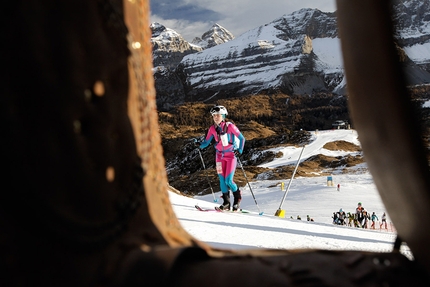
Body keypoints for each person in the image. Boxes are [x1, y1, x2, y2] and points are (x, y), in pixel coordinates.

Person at [196, 105, 245, 211]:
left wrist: (240, 150)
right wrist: (199, 144)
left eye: (218, 115)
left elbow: (242, 138)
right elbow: (206, 142)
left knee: (228, 180)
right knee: (222, 180)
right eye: (214, 115)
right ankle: (226, 203)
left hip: (231, 156)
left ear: (223, 116)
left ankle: (237, 198)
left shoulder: (230, 126)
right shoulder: (212, 129)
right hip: (219, 156)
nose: (216, 117)